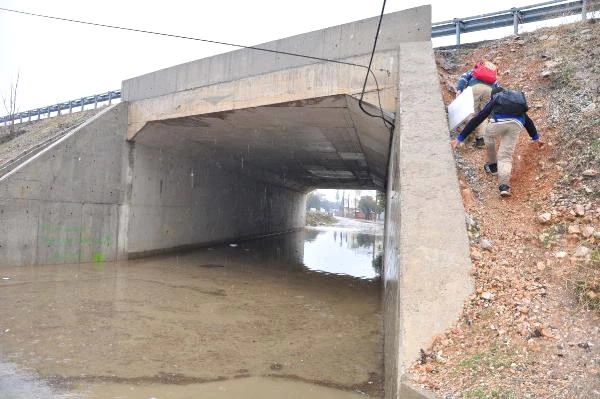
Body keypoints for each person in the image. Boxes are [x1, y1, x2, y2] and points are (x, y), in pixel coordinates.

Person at [451, 87, 541, 197]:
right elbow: (529, 123)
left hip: (497, 123)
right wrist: (536, 138)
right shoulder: (516, 105)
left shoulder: (496, 99)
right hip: (516, 125)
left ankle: (493, 166)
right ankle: (504, 186)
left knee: (489, 138)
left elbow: (478, 119)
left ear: (494, 96)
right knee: (505, 156)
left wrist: (460, 137)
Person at [456, 61, 500, 148]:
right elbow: (497, 88)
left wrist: (459, 89)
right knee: (483, 115)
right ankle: (480, 140)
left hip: (474, 89)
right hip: (489, 92)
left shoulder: (474, 71)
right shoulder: (493, 77)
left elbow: (463, 78)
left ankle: (463, 140)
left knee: (469, 112)